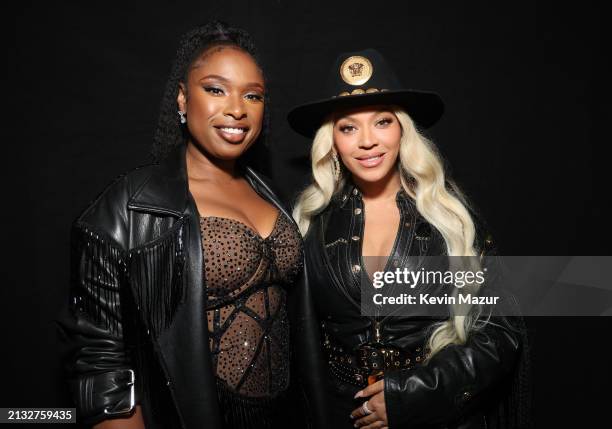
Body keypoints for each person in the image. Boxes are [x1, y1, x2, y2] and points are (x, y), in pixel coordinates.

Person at [58, 21, 303, 429]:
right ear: (182, 100)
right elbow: (98, 358)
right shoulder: (130, 204)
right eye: (215, 89)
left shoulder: (271, 196)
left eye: (253, 95)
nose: (237, 109)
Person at [288, 49, 531, 428]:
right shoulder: (308, 224)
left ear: (403, 129)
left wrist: (412, 395)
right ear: (332, 141)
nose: (367, 141)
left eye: (382, 121)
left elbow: (500, 334)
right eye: (348, 127)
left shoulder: (448, 218)